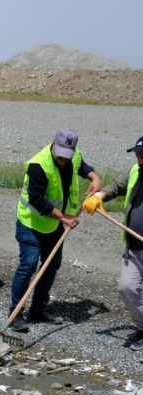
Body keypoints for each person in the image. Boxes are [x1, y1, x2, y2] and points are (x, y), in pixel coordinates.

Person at [9, 130, 100, 332]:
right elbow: (36, 199)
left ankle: (37, 311)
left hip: (56, 226)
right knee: (28, 265)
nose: (63, 160)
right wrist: (64, 218)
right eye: (60, 156)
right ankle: (15, 313)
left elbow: (84, 168)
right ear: (53, 146)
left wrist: (94, 178)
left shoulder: (73, 156)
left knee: (51, 266)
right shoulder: (38, 165)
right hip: (31, 223)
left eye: (66, 156)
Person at [83, 136, 143, 350]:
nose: (139, 158)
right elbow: (117, 186)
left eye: (142, 155)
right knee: (127, 288)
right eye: (137, 154)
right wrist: (99, 195)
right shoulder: (136, 170)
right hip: (134, 247)